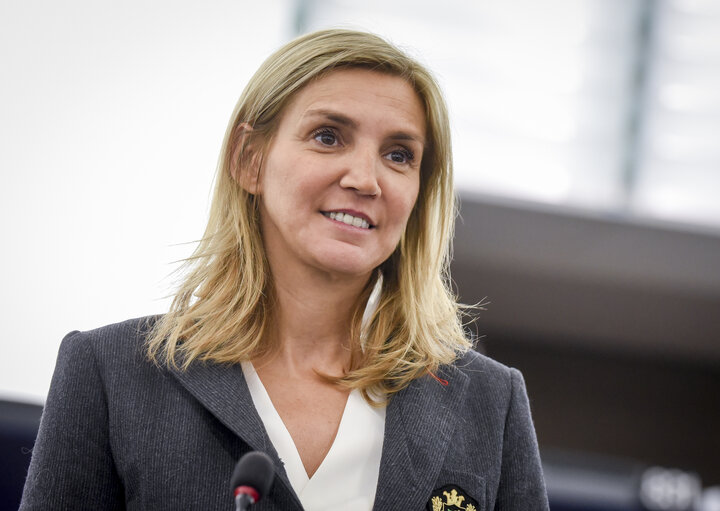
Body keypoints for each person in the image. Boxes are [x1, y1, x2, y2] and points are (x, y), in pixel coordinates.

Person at [20, 29, 548, 510]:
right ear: (250, 160)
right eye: (328, 137)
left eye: (399, 155)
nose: (366, 179)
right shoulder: (110, 374)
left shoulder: (488, 401)